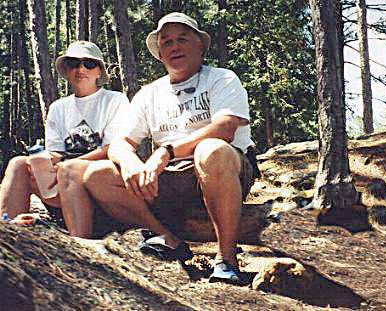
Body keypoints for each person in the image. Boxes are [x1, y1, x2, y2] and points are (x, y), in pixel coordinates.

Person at [83, 12, 257, 284]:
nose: (174, 47)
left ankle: (226, 259)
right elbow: (119, 143)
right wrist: (131, 163)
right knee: (97, 175)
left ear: (200, 45)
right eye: (167, 42)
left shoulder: (221, 78)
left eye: (182, 39)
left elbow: (225, 128)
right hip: (170, 180)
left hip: (224, 169)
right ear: (160, 53)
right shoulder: (149, 94)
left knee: (210, 149)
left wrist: (166, 152)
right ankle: (167, 238)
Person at [0, 41, 130, 238]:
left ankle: (81, 243)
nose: (80, 69)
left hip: (99, 180)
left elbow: (113, 148)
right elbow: (57, 152)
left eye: (88, 63)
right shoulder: (58, 108)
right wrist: (43, 162)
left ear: (99, 71)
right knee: (19, 164)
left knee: (70, 171)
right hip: (62, 180)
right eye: (73, 63)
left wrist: (70, 164)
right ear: (67, 71)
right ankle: (9, 233)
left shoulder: (115, 100)